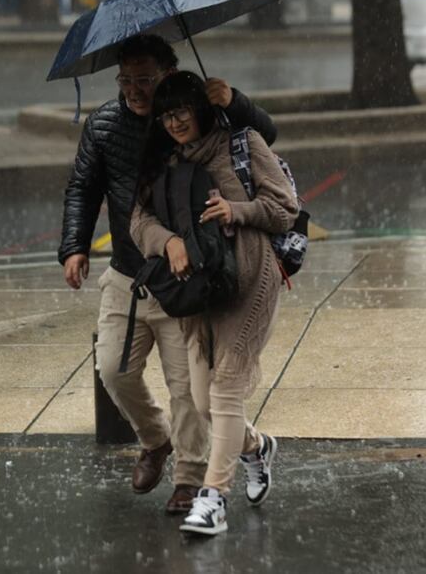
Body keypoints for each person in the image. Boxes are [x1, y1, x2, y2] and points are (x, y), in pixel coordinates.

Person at [58, 35, 277, 515]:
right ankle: (157, 440)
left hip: (186, 279)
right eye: (126, 80)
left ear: (168, 75)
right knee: (113, 369)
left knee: (192, 394)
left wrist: (233, 102)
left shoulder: (193, 119)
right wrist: (74, 245)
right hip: (130, 273)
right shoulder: (105, 126)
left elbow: (263, 138)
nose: (134, 90)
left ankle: (190, 481)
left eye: (145, 79)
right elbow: (83, 186)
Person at [130, 70, 297, 536]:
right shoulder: (167, 159)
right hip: (199, 291)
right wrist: (168, 243)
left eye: (182, 111)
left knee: (225, 389)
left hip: (250, 279)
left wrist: (235, 210)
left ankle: (213, 499)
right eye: (166, 116)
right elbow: (137, 221)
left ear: (201, 108)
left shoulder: (243, 143)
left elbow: (284, 209)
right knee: (205, 403)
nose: (174, 123)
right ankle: (256, 448)